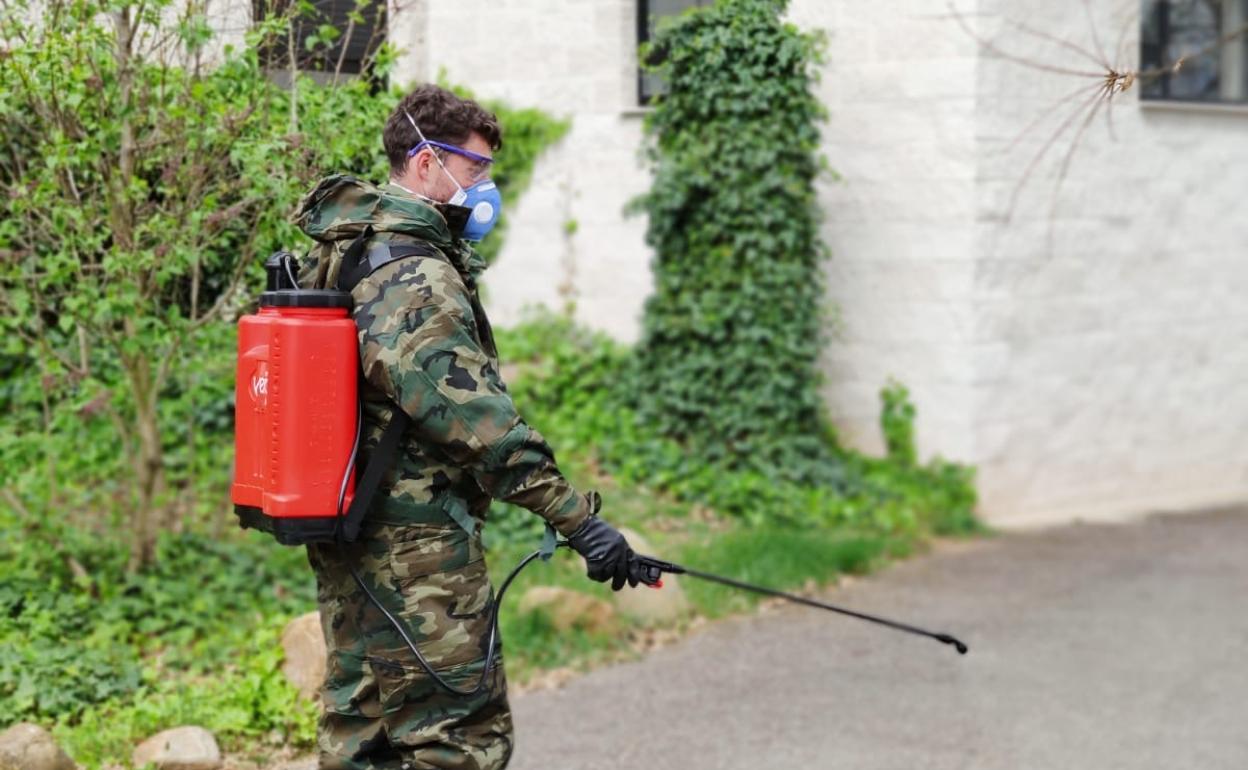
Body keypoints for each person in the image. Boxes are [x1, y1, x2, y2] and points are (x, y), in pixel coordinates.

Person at [293, 83, 644, 770]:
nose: (484, 187)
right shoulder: (414, 276)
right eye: (475, 169)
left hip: (356, 531)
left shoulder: (358, 247)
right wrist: (580, 522)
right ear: (426, 164)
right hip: (415, 552)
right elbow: (476, 423)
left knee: (364, 732)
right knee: (456, 737)